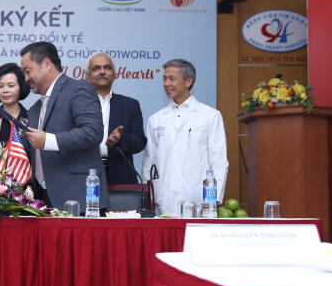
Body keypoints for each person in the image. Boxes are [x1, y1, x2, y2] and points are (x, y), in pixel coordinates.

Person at [20, 41, 108, 212]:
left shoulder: (79, 89)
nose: (26, 78)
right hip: (44, 200)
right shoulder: (35, 109)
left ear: (47, 64)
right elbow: (26, 144)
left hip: (79, 200)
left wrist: (48, 141)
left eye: (28, 71)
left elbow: (93, 132)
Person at [141, 59, 229, 215]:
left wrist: (212, 201)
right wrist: (148, 196)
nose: (166, 83)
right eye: (164, 79)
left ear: (188, 81)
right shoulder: (156, 119)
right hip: (164, 200)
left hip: (199, 201)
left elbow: (219, 161)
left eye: (172, 79)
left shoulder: (210, 115)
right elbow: (149, 162)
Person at [85, 53, 147, 184]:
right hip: (86, 175)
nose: (102, 72)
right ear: (87, 76)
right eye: (96, 68)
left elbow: (140, 142)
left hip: (122, 176)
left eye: (107, 67)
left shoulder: (130, 105)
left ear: (114, 74)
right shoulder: (77, 104)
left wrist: (120, 140)